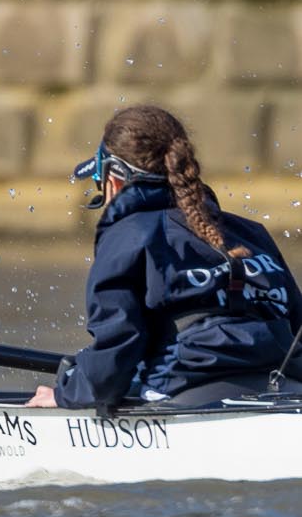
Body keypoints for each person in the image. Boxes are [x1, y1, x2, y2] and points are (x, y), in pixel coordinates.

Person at [26, 105, 302, 409]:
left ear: (114, 178)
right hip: (285, 388)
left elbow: (119, 346)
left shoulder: (128, 235)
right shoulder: (251, 233)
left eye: (98, 183)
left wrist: (67, 393)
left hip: (184, 389)